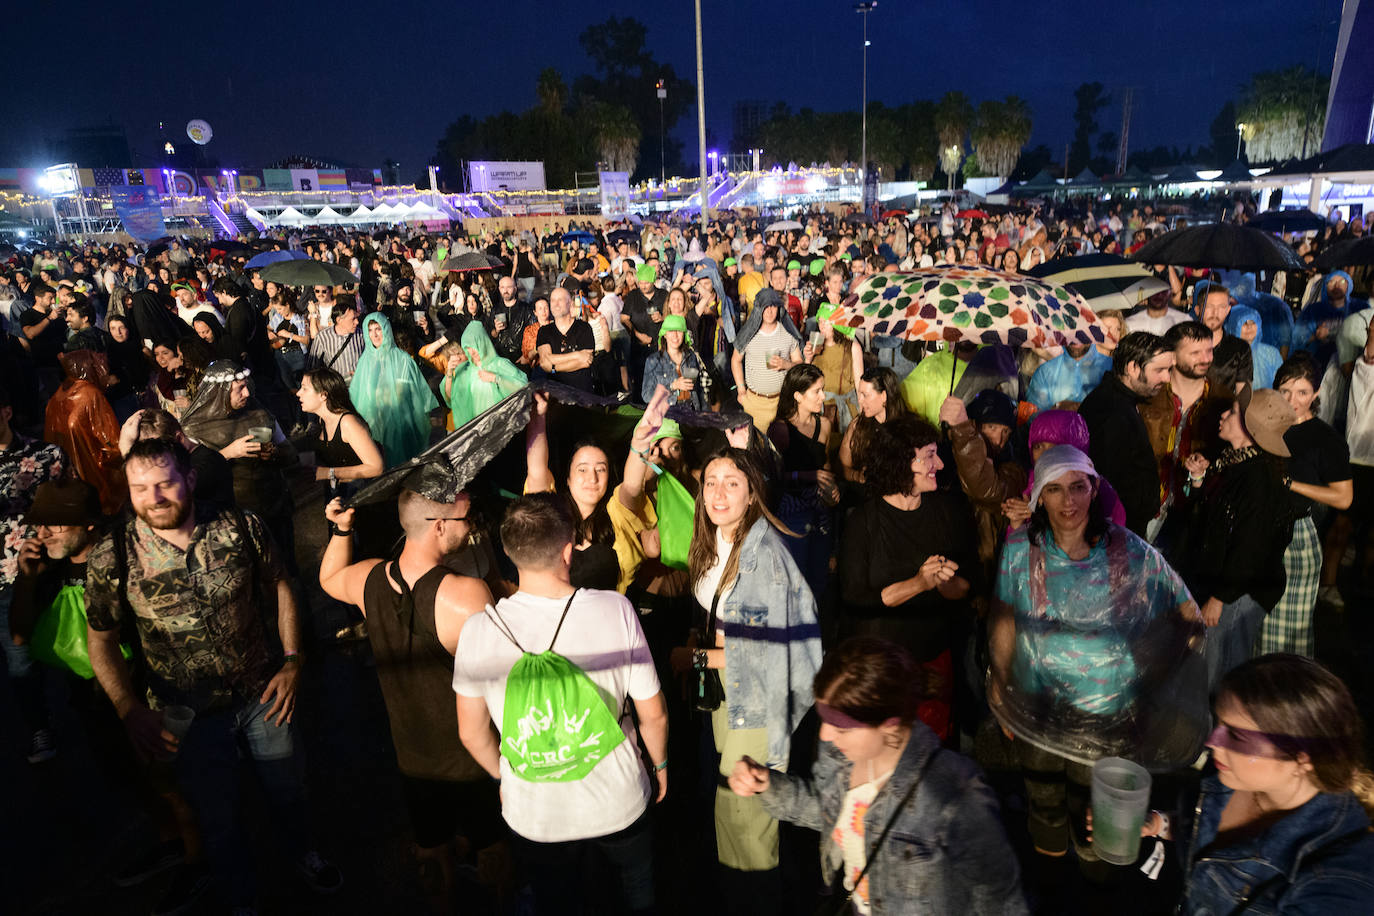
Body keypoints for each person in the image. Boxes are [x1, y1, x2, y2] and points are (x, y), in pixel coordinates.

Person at [85, 438, 341, 912]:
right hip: (185, 715)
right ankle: (241, 897)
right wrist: (127, 708)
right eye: (140, 488)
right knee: (217, 817)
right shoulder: (112, 555)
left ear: (191, 479)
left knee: (288, 789)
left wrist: (291, 659)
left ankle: (304, 854)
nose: (154, 497)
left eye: (165, 483)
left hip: (263, 693)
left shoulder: (239, 527)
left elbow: (280, 583)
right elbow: (99, 640)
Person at [989, 444, 1205, 875]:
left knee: (1099, 823)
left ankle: (1096, 888)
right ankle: (1050, 888)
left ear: (1094, 490)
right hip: (1039, 709)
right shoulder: (1020, 552)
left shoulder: (1128, 552)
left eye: (1077, 487)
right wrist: (1001, 687)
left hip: (1108, 716)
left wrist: (1152, 677)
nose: (1067, 501)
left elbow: (1189, 619)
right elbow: (1006, 622)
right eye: (1054, 489)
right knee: (1045, 804)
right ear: (1038, 498)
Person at [454, 493, 669, 916]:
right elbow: (653, 713)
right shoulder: (615, 609)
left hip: (535, 814)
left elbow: (471, 732)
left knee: (557, 901)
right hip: (619, 800)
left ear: (509, 551)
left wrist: (506, 776)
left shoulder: (479, 629)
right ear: (568, 549)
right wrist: (660, 767)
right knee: (635, 890)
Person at [729, 637, 1028, 916]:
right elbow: (828, 811)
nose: (825, 734)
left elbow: (1001, 901)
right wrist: (768, 785)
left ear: (889, 724)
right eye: (825, 720)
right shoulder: (840, 756)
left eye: (841, 727)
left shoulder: (955, 794)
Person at [320, 479, 501, 912]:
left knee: (432, 854)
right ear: (438, 526)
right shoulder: (466, 595)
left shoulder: (369, 579)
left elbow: (327, 578)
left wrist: (342, 531)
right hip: (473, 760)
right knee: (495, 852)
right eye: (465, 519)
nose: (471, 527)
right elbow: (505, 676)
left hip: (413, 761)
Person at [670, 447, 822, 902]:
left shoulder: (762, 556)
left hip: (755, 702)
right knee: (734, 812)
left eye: (732, 482)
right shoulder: (723, 541)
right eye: (711, 481)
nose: (718, 492)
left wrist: (692, 660)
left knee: (744, 822)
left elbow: (759, 654)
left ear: (752, 492)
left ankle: (753, 902)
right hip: (730, 698)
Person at [1168, 655, 1374, 913]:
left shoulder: (1339, 876)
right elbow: (1200, 832)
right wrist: (1163, 824)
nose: (1212, 742)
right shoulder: (1231, 774)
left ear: (1303, 757)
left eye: (1236, 735)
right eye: (1219, 723)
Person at [840, 416, 975, 740]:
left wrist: (945, 584)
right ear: (902, 461)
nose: (939, 464)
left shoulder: (947, 512)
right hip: (881, 672)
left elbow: (968, 586)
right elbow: (856, 597)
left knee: (932, 764)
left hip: (932, 666)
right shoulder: (864, 523)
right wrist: (918, 583)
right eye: (929, 455)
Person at [1170, 388, 1297, 686]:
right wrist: (1200, 480)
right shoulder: (1232, 461)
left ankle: (1223, 729)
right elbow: (1213, 518)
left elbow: (1251, 548)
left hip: (1239, 593)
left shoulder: (1259, 481)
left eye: (1233, 413)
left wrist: (1220, 598)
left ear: (1251, 429)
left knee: (1220, 672)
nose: (1224, 415)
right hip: (1221, 582)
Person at [1265, 357, 1353, 650]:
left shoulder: (1325, 439)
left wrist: (1292, 484)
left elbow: (1344, 497)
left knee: (1289, 633)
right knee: (1257, 626)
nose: (1292, 400)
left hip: (1298, 536)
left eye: (1302, 392)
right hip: (1260, 529)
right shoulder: (1264, 427)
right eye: (1285, 391)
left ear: (1315, 394)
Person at [180, 360, 300, 573]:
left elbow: (291, 454)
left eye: (246, 385)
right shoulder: (194, 429)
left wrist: (274, 453)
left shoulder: (259, 413)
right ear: (219, 391)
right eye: (239, 389)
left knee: (286, 570)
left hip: (274, 508)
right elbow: (190, 481)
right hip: (231, 519)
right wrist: (227, 453)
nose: (247, 393)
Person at [0, 384, 66, 763]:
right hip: (5, 583)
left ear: (6, 411)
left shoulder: (47, 456)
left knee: (82, 648)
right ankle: (40, 729)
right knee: (20, 660)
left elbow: (73, 507)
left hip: (54, 572)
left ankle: (111, 717)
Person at [1077, 331, 1175, 536]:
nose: (1167, 378)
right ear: (1132, 367)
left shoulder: (1123, 401)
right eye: (1160, 370)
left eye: (1169, 369)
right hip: (1119, 534)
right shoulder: (1112, 411)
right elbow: (1110, 483)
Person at [769, 363, 838, 601]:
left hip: (820, 512)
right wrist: (807, 476)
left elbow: (826, 465)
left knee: (818, 580)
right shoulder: (780, 429)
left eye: (823, 389)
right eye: (817, 391)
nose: (823, 396)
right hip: (792, 513)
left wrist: (833, 488)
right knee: (794, 581)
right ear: (798, 396)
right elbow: (773, 478)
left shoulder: (825, 425)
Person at [350, 312, 438, 467]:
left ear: (386, 329)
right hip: (374, 424)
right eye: (370, 330)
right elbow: (358, 395)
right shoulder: (365, 361)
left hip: (399, 424)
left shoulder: (402, 359)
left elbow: (410, 393)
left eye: (378, 329)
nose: (374, 334)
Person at [44, 349, 126, 514]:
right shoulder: (91, 394)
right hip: (97, 479)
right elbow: (110, 441)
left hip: (66, 481)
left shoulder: (55, 399)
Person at [731, 288, 804, 430]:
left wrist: (786, 364)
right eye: (765, 306)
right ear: (758, 309)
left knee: (783, 446)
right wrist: (741, 390)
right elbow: (735, 360)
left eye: (773, 306)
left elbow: (800, 363)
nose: (770, 311)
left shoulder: (788, 333)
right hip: (755, 403)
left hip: (783, 402)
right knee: (758, 448)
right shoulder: (749, 333)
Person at [444, 321, 527, 429]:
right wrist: (449, 373)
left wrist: (496, 378)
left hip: (500, 427)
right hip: (477, 430)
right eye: (467, 348)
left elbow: (523, 387)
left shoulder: (500, 364)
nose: (472, 352)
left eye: (474, 346)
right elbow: (451, 397)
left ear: (483, 343)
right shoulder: (467, 370)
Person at [838, 365, 908, 484]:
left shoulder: (907, 428)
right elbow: (841, 467)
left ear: (884, 396)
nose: (859, 400)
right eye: (859, 394)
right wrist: (856, 475)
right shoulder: (857, 426)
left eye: (865, 395)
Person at [642, 313, 708, 411]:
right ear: (665, 334)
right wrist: (673, 386)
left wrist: (704, 414)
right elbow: (647, 396)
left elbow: (700, 390)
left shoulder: (691, 356)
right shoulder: (654, 360)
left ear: (684, 334)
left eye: (679, 331)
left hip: (692, 412)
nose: (675, 336)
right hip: (668, 413)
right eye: (671, 331)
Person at [537, 287, 597, 392]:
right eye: (553, 300)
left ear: (570, 303)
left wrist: (553, 367)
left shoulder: (584, 328)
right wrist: (577, 355)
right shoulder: (544, 331)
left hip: (583, 392)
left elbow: (586, 361)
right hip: (556, 394)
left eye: (560, 300)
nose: (556, 304)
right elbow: (544, 361)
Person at [1025, 341, 1112, 411]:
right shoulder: (1044, 371)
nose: (1077, 338)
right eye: (1071, 330)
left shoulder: (1111, 367)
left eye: (1082, 331)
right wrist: (1057, 408)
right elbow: (1031, 418)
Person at [1224, 304, 1283, 390]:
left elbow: (1282, 384)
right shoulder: (1225, 355)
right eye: (1244, 323)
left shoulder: (1271, 353)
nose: (1249, 327)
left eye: (1253, 322)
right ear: (1233, 326)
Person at [307, 301, 365, 383]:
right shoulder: (323, 338)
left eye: (356, 318)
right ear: (339, 320)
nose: (357, 322)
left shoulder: (361, 335)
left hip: (359, 385)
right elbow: (313, 367)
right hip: (337, 387)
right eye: (353, 319)